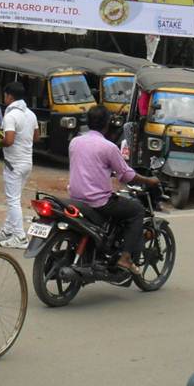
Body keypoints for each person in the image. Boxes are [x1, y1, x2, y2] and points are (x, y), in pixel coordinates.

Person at [68, 105, 159, 274]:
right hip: (98, 202)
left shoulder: (75, 141)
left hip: (75, 197)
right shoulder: (108, 147)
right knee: (137, 210)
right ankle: (125, 257)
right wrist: (149, 180)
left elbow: (87, 166)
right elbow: (126, 175)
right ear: (107, 124)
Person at [0, 82, 38, 248]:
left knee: (13, 200)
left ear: (9, 96)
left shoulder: (11, 115)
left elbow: (9, 140)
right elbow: (36, 137)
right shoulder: (31, 114)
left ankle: (19, 236)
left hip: (14, 164)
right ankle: (8, 230)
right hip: (27, 162)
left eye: (5, 95)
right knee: (15, 198)